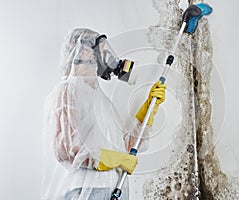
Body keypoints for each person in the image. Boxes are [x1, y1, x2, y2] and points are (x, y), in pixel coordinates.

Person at [41, 28, 166, 200]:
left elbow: (125, 148)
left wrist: (148, 111)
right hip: (84, 191)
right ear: (83, 51)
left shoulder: (103, 100)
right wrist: (109, 159)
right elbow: (65, 148)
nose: (106, 55)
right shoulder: (68, 89)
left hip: (115, 188)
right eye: (100, 48)